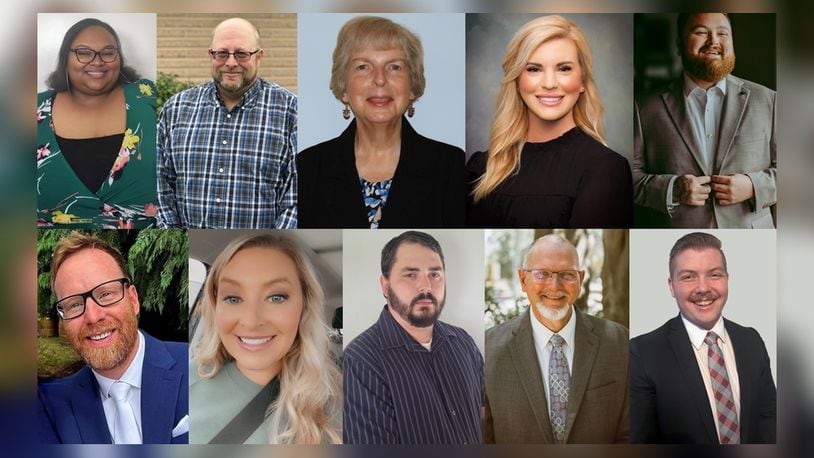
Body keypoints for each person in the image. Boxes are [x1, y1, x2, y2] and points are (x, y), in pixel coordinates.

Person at [297, 16, 466, 228]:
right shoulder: (306, 169)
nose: (379, 79)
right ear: (343, 88)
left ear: (412, 86)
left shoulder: (453, 167)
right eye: (363, 67)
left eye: (394, 67)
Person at [467, 15, 632, 228]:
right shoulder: (480, 166)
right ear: (517, 80)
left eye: (564, 68)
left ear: (582, 80)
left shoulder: (605, 168)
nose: (549, 83)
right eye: (534, 69)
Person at [189, 233, 341, 444]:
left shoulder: (337, 408)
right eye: (233, 298)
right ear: (216, 306)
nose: (251, 321)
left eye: (276, 297)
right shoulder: (183, 380)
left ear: (304, 306)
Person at [37, 231, 188, 444]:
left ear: (134, 300)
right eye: (74, 304)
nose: (93, 316)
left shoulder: (194, 363)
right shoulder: (52, 406)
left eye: (106, 294)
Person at [629, 232, 776, 443]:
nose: (703, 288)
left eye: (714, 275)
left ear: (727, 279)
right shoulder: (643, 352)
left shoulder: (751, 340)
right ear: (671, 286)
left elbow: (769, 421)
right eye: (688, 277)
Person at [633, 13, 776, 228]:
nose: (713, 41)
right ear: (679, 44)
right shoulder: (644, 107)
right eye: (701, 32)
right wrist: (673, 188)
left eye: (722, 33)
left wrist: (752, 186)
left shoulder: (769, 100)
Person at [484, 235, 629, 443]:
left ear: (580, 279)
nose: (554, 286)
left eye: (567, 275)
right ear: (523, 280)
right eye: (542, 274)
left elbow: (630, 434)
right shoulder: (487, 349)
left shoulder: (619, 343)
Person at [157, 17, 297, 229]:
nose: (231, 63)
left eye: (242, 54)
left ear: (259, 56)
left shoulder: (290, 111)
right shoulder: (176, 109)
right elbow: (159, 185)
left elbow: (296, 199)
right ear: (210, 55)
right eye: (222, 53)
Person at [343, 231, 482, 444]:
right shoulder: (360, 361)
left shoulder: (463, 342)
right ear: (385, 285)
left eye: (435, 274)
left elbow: (484, 417)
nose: (426, 286)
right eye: (411, 274)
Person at [37, 18, 158, 228]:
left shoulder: (147, 97)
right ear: (65, 58)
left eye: (108, 52)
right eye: (84, 52)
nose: (97, 61)